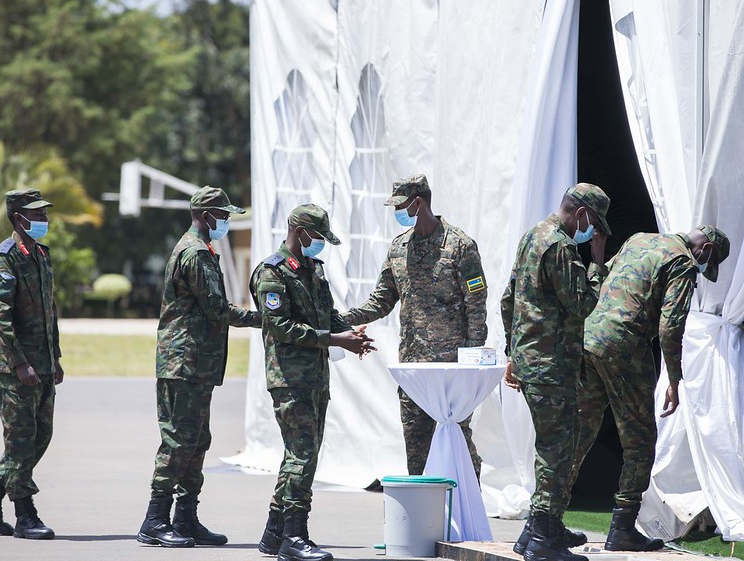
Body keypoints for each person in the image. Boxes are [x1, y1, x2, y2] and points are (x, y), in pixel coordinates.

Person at [564, 225, 730, 552]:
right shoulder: (681, 262)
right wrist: (674, 378)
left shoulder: (637, 238)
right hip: (624, 348)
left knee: (580, 432)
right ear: (706, 250)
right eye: (706, 266)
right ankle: (623, 528)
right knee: (641, 442)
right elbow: (670, 325)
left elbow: (602, 281)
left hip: (589, 338)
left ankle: (546, 520)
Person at [137, 186, 262, 548]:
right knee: (178, 442)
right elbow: (217, 309)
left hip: (196, 364)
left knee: (196, 441)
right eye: (222, 216)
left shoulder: (202, 250)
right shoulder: (194, 253)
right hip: (183, 364)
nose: (225, 222)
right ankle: (154, 519)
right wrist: (263, 319)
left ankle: (186, 517)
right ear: (206, 216)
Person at [341, 173, 488, 479]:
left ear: (418, 203)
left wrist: (472, 365)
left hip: (451, 370)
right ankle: (425, 517)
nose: (396, 212)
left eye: (401, 205)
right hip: (413, 367)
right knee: (417, 447)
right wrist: (340, 321)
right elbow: (381, 301)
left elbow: (476, 307)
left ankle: (467, 505)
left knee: (458, 442)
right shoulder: (398, 249)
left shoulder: (461, 246)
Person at [251, 204, 375, 561]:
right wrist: (337, 340)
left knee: (302, 454)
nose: (319, 244)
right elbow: (279, 326)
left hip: (316, 377)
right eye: (317, 237)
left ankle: (274, 534)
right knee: (301, 455)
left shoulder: (314, 270)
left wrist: (350, 334)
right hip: (289, 378)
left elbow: (329, 315)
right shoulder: (272, 273)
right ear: (299, 231)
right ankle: (294, 536)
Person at [501, 183, 610, 561]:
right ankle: (544, 540)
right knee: (557, 452)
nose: (592, 232)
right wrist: (597, 262)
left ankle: (537, 529)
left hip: (535, 362)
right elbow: (581, 305)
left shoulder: (533, 235)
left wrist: (513, 352)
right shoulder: (562, 247)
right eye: (593, 223)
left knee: (557, 444)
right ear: (581, 214)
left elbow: (507, 299)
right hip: (552, 366)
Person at [0, 189, 63, 540]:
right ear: (18, 218)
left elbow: (49, 311)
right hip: (14, 368)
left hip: (44, 363)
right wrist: (20, 363)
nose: (44, 220)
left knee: (41, 436)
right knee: (21, 441)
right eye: (37, 215)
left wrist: (57, 357)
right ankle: (26, 515)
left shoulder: (40, 254)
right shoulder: (4, 257)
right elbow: (1, 318)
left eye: (44, 214)